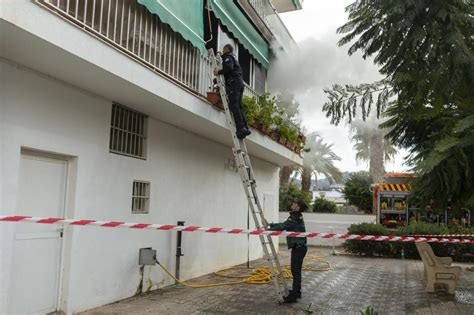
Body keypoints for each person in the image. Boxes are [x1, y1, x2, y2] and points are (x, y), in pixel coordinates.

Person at [268, 199, 308, 303]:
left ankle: (294, 296)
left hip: (299, 248)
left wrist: (268, 230)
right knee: (296, 271)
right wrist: (271, 225)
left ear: (298, 207)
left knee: (295, 271)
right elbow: (284, 224)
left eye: (295, 203)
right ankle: (297, 292)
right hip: (299, 247)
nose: (293, 204)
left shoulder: (294, 216)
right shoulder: (296, 216)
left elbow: (283, 226)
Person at [213, 44, 251, 139]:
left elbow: (228, 67)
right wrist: (221, 56)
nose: (223, 50)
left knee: (234, 104)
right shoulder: (232, 58)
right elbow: (230, 65)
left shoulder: (228, 57)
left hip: (234, 83)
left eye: (223, 49)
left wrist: (218, 72)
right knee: (238, 106)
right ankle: (245, 128)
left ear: (226, 49)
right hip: (239, 83)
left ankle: (241, 128)